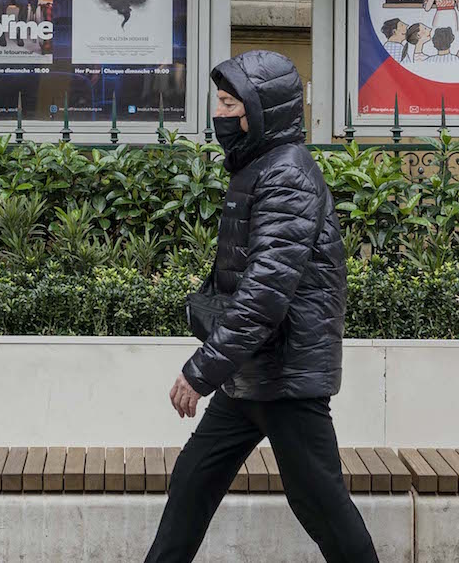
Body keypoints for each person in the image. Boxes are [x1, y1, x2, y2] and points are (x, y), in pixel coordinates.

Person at [147, 50, 377, 563]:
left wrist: (201, 371)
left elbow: (264, 294)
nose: (220, 114)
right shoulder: (260, 168)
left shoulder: (287, 176)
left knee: (321, 506)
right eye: (219, 102)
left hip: (287, 380)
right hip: (254, 374)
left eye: (230, 103)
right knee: (193, 482)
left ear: (262, 109)